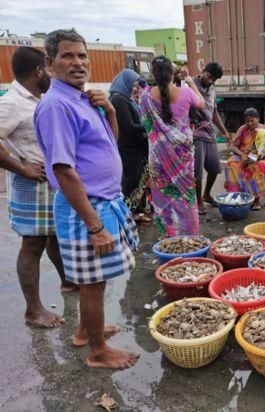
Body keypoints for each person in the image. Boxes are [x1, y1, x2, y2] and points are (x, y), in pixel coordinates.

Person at [34, 29, 139, 369]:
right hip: (86, 209)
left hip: (104, 201)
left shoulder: (84, 98)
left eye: (82, 55)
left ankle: (85, 331)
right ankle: (98, 352)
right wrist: (95, 227)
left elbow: (109, 143)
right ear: (51, 63)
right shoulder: (57, 106)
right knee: (92, 282)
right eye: (68, 56)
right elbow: (63, 170)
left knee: (99, 274)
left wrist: (109, 111)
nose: (77, 63)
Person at [0, 47, 77, 328]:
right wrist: (22, 168)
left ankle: (68, 282)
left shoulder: (39, 98)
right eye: (50, 70)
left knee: (54, 236)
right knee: (33, 245)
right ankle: (33, 310)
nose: (53, 74)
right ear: (39, 72)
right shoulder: (12, 103)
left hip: (48, 183)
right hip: (30, 184)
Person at [140, 57, 205, 236]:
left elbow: (145, 124)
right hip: (183, 156)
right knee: (185, 195)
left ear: (153, 73)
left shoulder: (144, 95)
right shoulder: (185, 92)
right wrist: (191, 82)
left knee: (163, 196)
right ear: (172, 73)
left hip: (158, 158)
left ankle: (169, 237)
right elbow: (202, 104)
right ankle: (190, 236)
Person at [109, 69, 151, 222]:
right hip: (128, 149)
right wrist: (150, 126)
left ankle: (136, 213)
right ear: (124, 82)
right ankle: (126, 215)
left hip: (136, 147)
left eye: (136, 84)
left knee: (139, 180)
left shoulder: (127, 98)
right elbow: (129, 126)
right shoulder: (118, 99)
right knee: (130, 182)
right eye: (132, 84)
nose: (135, 87)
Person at [190, 62, 231, 215]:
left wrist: (225, 132)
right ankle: (198, 200)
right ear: (203, 71)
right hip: (195, 133)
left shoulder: (212, 90)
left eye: (213, 79)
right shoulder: (190, 85)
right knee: (197, 172)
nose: (210, 81)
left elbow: (214, 113)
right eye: (208, 77)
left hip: (209, 133)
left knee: (215, 168)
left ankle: (207, 194)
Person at [224, 108, 265, 209]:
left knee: (257, 167)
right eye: (247, 121)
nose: (249, 123)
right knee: (231, 163)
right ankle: (237, 195)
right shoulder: (243, 129)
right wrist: (242, 154)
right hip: (244, 155)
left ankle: (256, 199)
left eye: (252, 120)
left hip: (261, 157)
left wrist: (264, 155)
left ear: (257, 119)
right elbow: (232, 146)